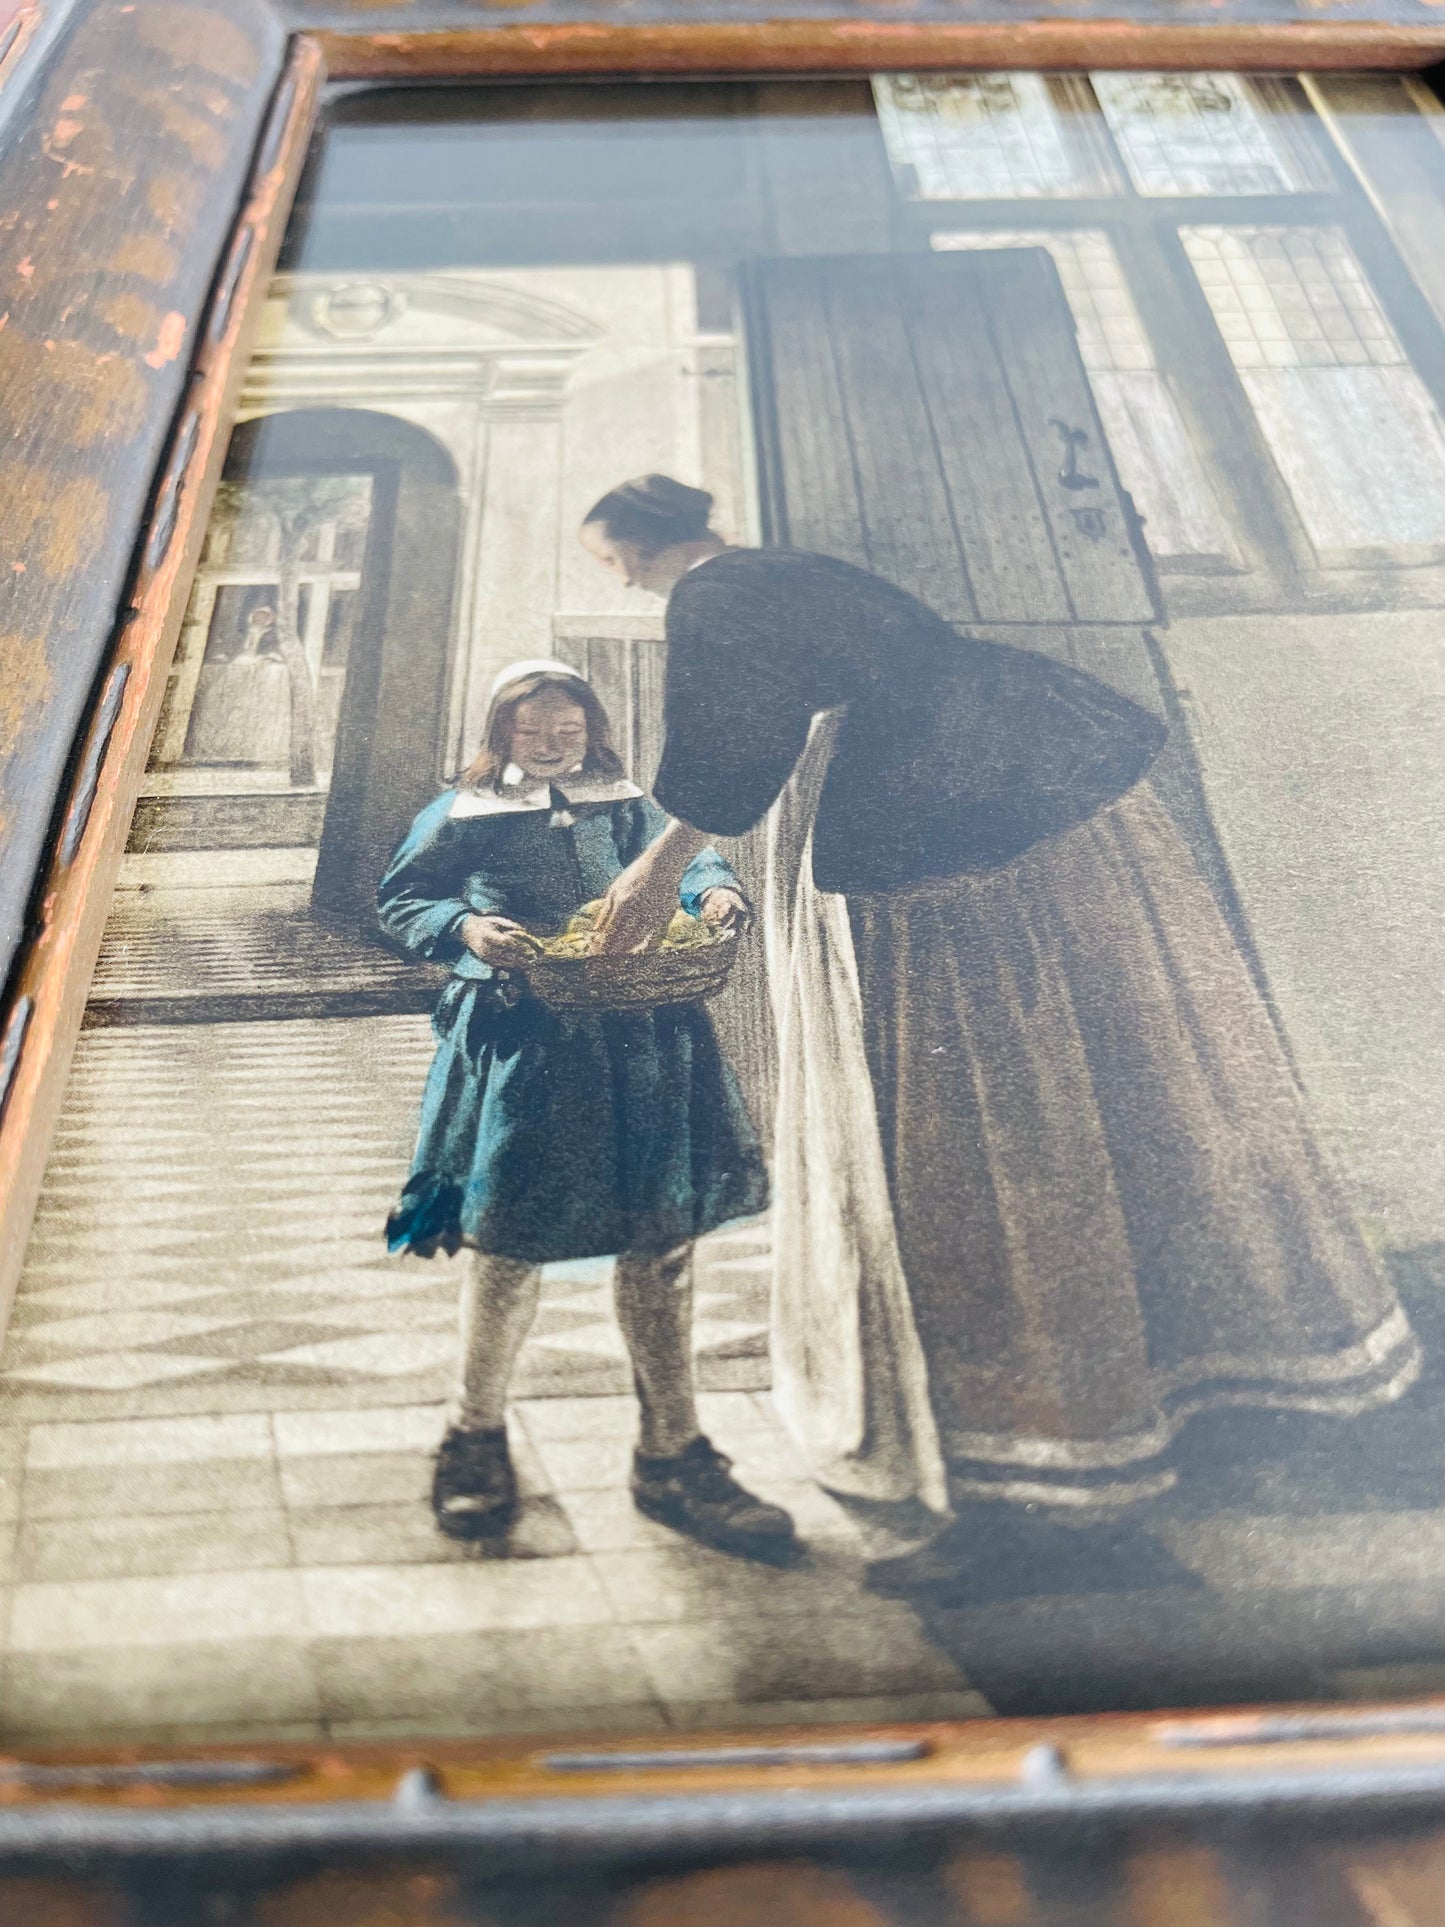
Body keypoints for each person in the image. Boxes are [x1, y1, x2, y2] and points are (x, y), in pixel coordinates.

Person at [578, 474, 1421, 1593]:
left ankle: (1024, 1444)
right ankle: (1173, 1395)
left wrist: (652, 869)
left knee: (978, 1107)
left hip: (920, 814)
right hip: (1028, 771)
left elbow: (735, 751)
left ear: (635, 550)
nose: (619, 577)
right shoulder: (785, 565)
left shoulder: (715, 592)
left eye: (612, 559)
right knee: (1116, 1069)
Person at [377, 659, 790, 1560]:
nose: (554, 745)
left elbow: (694, 861)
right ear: (503, 736)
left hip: (646, 1044)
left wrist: (715, 890)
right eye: (534, 733)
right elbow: (405, 897)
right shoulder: (462, 812)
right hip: (530, 1048)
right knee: (507, 1241)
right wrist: (466, 931)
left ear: (592, 731)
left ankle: (672, 1451)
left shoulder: (628, 802)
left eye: (568, 730)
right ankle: (472, 1435)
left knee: (662, 1241)